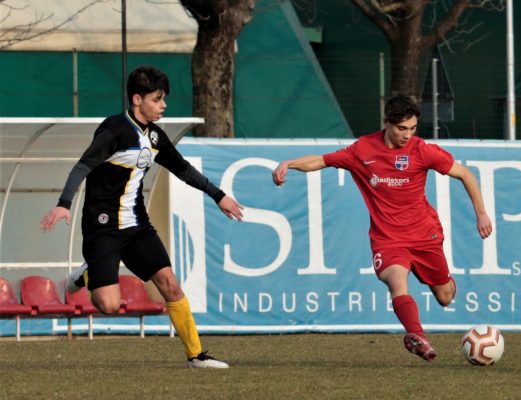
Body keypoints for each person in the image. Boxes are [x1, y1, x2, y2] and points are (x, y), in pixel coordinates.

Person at [41, 65, 243, 369]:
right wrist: (63, 204)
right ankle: (86, 274)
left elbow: (183, 169)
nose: (163, 105)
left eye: (163, 99)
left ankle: (196, 356)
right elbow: (82, 166)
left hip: (137, 227)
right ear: (138, 100)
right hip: (103, 230)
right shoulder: (113, 131)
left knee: (170, 284)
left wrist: (219, 195)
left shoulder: (155, 137)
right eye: (157, 99)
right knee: (108, 306)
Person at [272, 94, 492, 362]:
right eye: (401, 128)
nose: (407, 135)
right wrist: (289, 164)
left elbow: (465, 174)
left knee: (445, 297)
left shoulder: (422, 150)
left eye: (412, 128)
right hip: (388, 239)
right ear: (386, 122)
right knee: (397, 282)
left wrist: (481, 214)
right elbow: (320, 160)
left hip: (425, 235)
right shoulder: (363, 150)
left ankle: (439, 284)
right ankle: (418, 337)